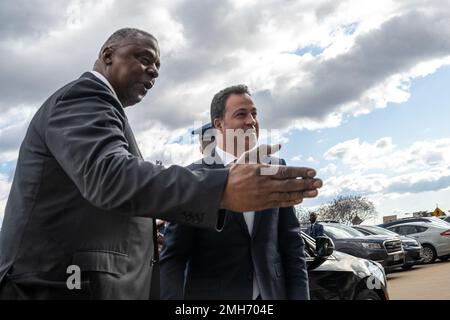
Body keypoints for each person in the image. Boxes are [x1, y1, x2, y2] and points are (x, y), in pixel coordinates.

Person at [0, 28, 321, 300]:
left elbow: (289, 248)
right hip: (52, 285)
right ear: (108, 54)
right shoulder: (84, 96)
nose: (153, 70)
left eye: (157, 65)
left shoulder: (104, 110)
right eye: (143, 58)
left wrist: (142, 234)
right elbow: (109, 176)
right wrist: (222, 189)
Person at [160, 85, 320, 300]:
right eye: (241, 114)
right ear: (219, 125)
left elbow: (291, 245)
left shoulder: (274, 168)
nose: (251, 121)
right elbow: (174, 257)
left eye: (254, 114)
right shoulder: (194, 176)